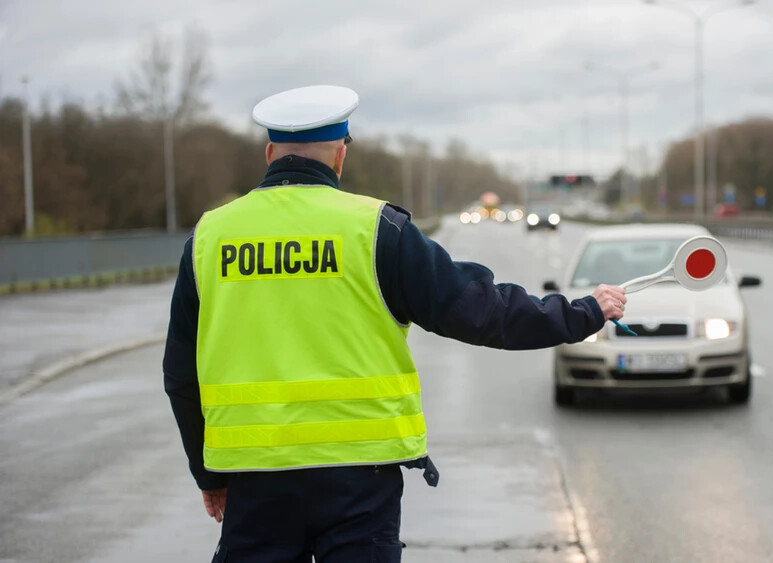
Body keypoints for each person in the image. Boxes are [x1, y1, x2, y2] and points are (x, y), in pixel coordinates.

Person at [163, 85, 627, 563]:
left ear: (268, 153)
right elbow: (482, 312)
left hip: (253, 483)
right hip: (359, 483)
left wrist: (209, 475)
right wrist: (582, 313)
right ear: (340, 154)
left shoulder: (209, 237)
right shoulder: (377, 229)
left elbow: (180, 374)